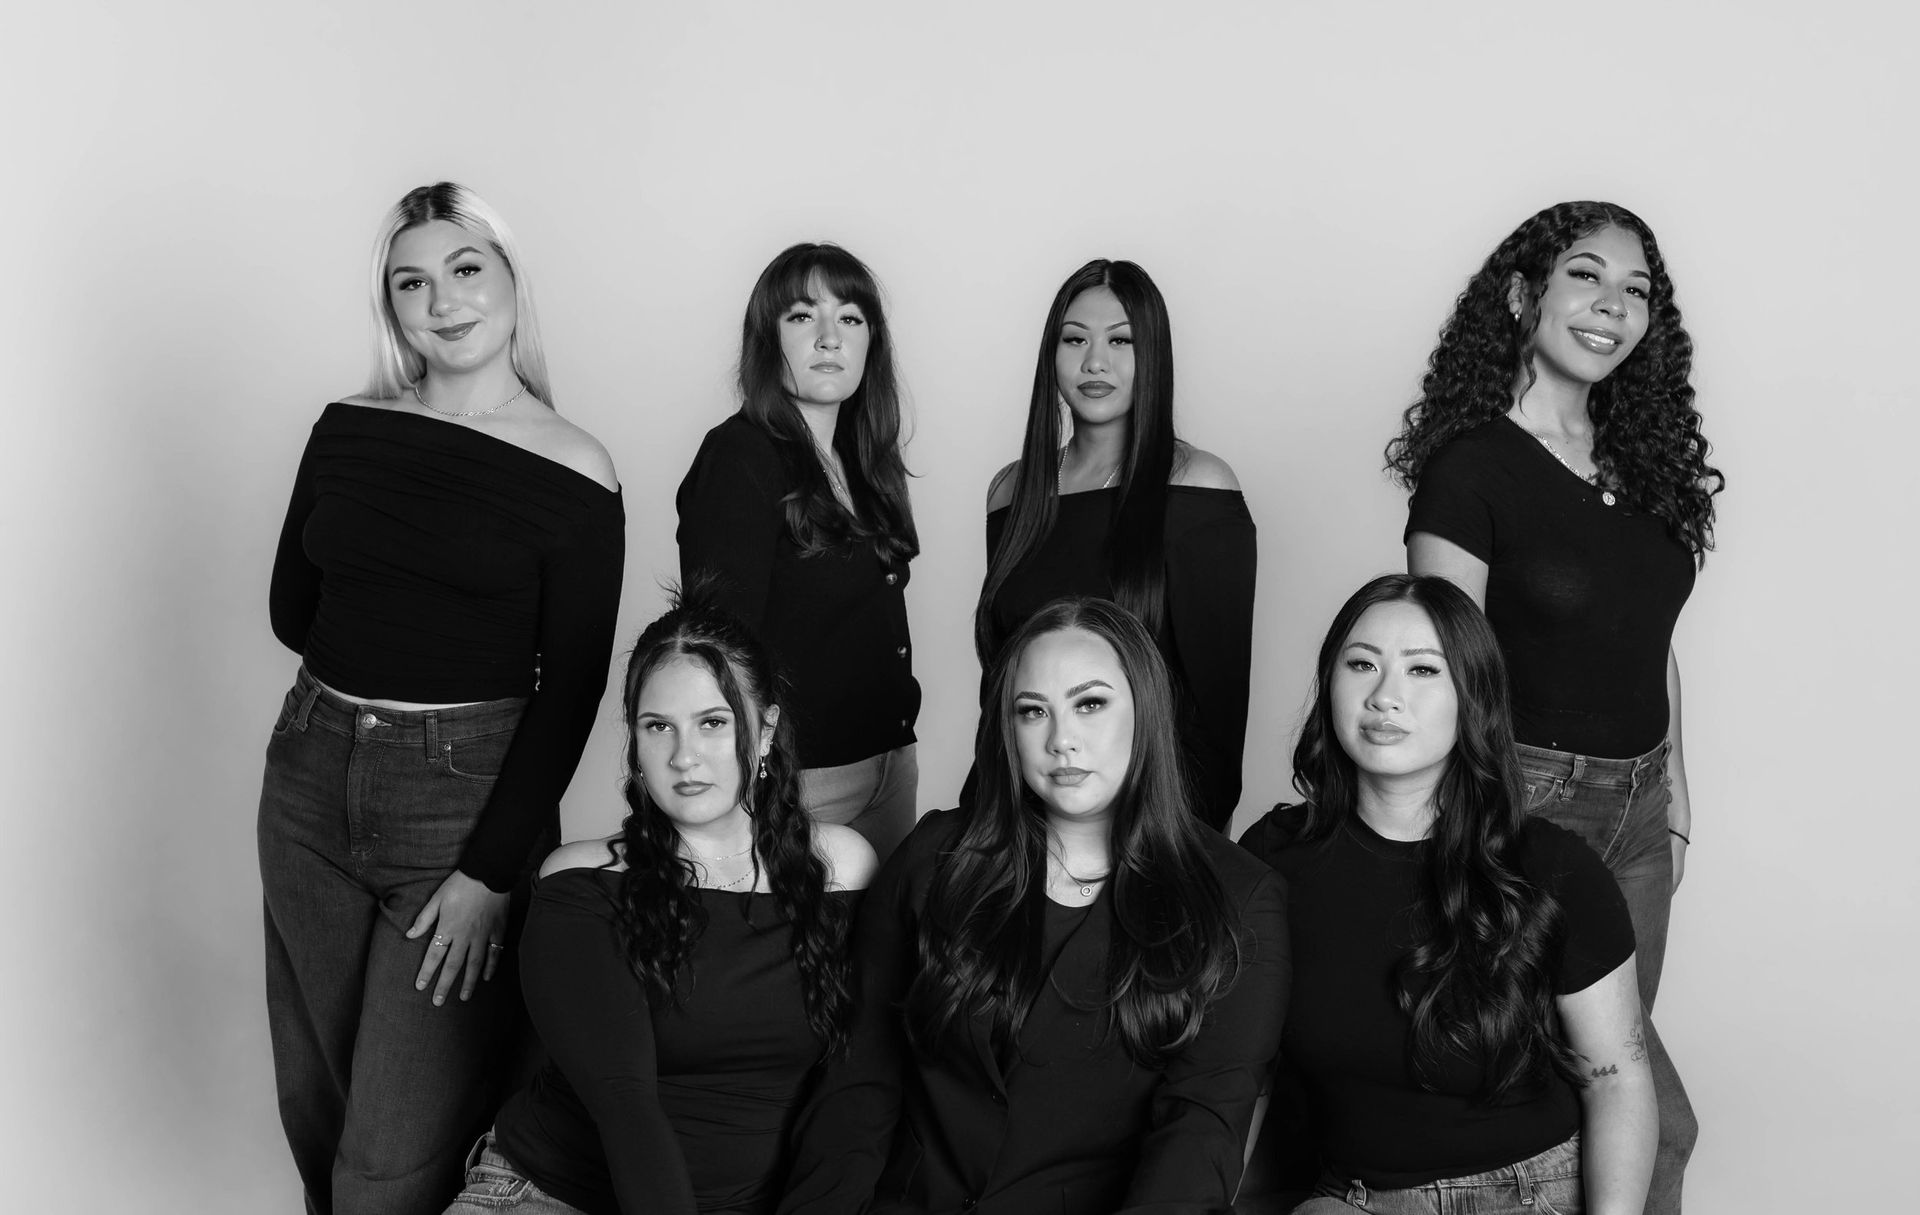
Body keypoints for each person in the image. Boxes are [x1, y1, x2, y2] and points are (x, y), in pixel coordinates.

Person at [261, 182, 624, 1214]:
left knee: (395, 1145)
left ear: (511, 283)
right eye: (411, 280)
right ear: (391, 303)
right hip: (306, 782)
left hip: (461, 806)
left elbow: (573, 693)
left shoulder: (574, 467)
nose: (443, 301)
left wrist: (489, 870)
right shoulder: (346, 430)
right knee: (316, 1099)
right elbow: (296, 608)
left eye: (466, 270)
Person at [1387, 200, 1720, 1212]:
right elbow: (1437, 658)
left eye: (1637, 291)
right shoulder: (1471, 467)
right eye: (1587, 275)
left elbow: (1650, 638)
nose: (1613, 306)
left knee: (1604, 1100)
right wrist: (1475, 829)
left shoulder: (1643, 466)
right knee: (1627, 1112)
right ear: (1526, 293)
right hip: (1524, 802)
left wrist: (1675, 787)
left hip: (1638, 813)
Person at [780, 596, 1289, 1215]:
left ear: (1146, 713)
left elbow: (1199, 1136)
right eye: (1032, 711)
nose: (1060, 739)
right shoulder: (935, 859)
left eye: (1090, 704)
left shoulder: (1238, 897)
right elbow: (857, 1083)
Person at [445, 593, 876, 1215]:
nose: (683, 757)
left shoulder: (841, 870)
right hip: (553, 1196)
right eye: (657, 726)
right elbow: (625, 1103)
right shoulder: (583, 881)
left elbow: (858, 1091)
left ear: (767, 729)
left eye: (713, 722)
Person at [1241, 574, 1656, 1215]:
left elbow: (1619, 1081)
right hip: (1349, 1196)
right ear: (1329, 685)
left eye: (1423, 671)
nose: (1386, 697)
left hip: (1521, 1192)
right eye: (1361, 664)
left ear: (1472, 697)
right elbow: (1243, 1067)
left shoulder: (1553, 869)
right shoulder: (1272, 856)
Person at [975, 259, 1253, 829]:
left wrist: (1193, 843)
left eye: (1121, 341)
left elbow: (1218, 705)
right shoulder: (1012, 492)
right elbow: (1001, 684)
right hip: (1016, 811)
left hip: (1149, 819)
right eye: (1074, 339)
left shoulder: (1198, 486)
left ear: (1154, 355)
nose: (1094, 362)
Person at [677, 243, 920, 861]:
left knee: (880, 955)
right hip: (799, 783)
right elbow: (720, 654)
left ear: (872, 343)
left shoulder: (866, 461)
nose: (829, 338)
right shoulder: (739, 459)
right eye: (802, 317)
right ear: (767, 339)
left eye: (850, 319)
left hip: (890, 765)